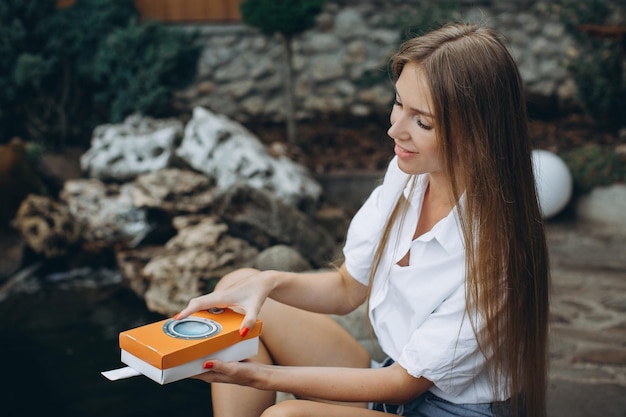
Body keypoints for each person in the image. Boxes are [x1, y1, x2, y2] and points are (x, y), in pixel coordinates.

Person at [175, 22, 550, 417]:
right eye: (399, 104)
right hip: (392, 384)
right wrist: (268, 281)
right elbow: (345, 289)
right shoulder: (408, 175)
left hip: (446, 407)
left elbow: (402, 385)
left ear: (479, 134)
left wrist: (261, 377)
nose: (394, 129)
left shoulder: (496, 250)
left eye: (421, 121)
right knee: (240, 289)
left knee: (286, 416)